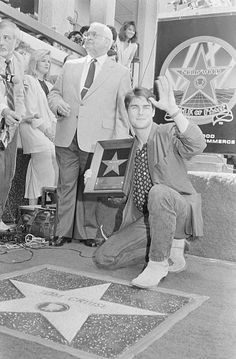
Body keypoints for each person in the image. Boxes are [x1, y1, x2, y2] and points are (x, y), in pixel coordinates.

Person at [93, 76, 206, 289]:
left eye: (146, 107)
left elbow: (198, 144)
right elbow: (118, 200)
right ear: (127, 114)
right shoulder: (123, 151)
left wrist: (174, 110)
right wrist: (98, 183)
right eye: (134, 107)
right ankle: (165, 245)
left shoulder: (167, 132)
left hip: (178, 210)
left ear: (153, 111)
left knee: (159, 192)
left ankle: (157, 263)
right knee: (104, 258)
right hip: (146, 219)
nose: (141, 111)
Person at [48, 22, 132, 247]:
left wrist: (119, 145)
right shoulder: (70, 66)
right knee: (65, 185)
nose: (88, 37)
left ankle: (87, 233)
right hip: (67, 135)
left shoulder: (121, 72)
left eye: (94, 34)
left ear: (108, 42)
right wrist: (58, 105)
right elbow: (54, 94)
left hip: (98, 141)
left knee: (91, 188)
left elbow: (123, 112)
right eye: (88, 34)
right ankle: (61, 232)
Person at [19, 49, 58, 205]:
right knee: (50, 155)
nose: (47, 64)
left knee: (38, 168)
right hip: (33, 127)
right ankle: (45, 204)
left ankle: (33, 207)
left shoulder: (49, 84)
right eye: (43, 60)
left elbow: (52, 112)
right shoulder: (28, 79)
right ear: (35, 62)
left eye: (49, 61)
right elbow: (30, 110)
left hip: (48, 130)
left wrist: (53, 130)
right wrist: (47, 130)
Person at [0, 20, 25, 232]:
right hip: (2, 117)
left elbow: (19, 93)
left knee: (8, 172)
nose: (1, 42)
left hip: (12, 125)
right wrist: (4, 112)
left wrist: (19, 115)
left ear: (16, 42)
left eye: (7, 38)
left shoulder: (18, 61)